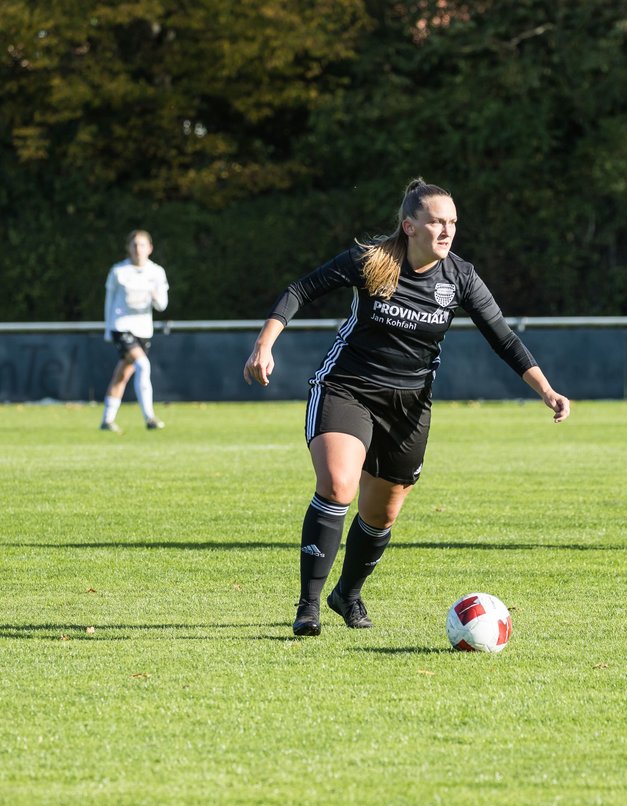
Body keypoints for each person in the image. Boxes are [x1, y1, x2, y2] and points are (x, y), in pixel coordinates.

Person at [243, 178, 570, 636]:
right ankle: (309, 605)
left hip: (409, 408)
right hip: (347, 388)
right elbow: (301, 289)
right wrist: (264, 344)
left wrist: (546, 390)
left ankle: (347, 594)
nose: (447, 230)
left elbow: (504, 338)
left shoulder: (460, 276)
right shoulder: (371, 261)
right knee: (338, 485)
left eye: (453, 222)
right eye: (437, 220)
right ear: (410, 225)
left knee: (382, 515)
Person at [100, 229, 169, 432]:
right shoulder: (118, 271)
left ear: (150, 248)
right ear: (128, 248)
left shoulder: (156, 272)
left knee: (122, 374)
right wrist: (107, 329)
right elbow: (109, 302)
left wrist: (154, 294)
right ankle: (150, 418)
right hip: (121, 327)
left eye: (142, 245)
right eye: (134, 245)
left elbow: (162, 305)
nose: (138, 249)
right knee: (143, 365)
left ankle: (107, 420)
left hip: (143, 331)